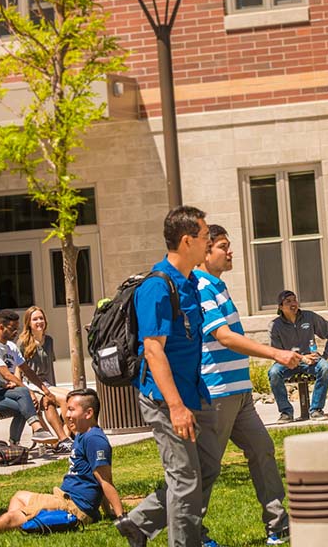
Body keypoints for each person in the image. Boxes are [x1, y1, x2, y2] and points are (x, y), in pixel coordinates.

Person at [193, 224, 300, 545]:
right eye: (223, 246)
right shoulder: (200, 287)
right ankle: (168, 526)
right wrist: (275, 354)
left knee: (262, 449)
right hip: (217, 392)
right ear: (205, 252)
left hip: (238, 392)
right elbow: (223, 337)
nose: (230, 252)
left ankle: (278, 524)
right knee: (206, 468)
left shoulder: (218, 285)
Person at [115, 206, 216, 547]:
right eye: (205, 237)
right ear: (187, 241)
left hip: (192, 392)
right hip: (164, 399)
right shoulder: (157, 287)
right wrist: (175, 406)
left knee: (205, 468)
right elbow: (154, 350)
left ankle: (139, 523)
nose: (210, 243)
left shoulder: (189, 282)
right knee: (186, 481)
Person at [0, 389, 125, 537]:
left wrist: (121, 517)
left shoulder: (94, 439)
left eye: (71, 410)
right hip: (64, 497)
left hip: (73, 506)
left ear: (88, 413)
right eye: (67, 409)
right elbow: (98, 480)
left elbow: (105, 481)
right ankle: (5, 523)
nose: (67, 415)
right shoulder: (82, 435)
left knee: (13, 517)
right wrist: (106, 511)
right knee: (19, 496)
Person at [0, 310, 56, 445]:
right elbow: (6, 374)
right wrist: (30, 392)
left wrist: (46, 391)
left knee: (23, 405)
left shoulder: (11, 346)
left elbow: (27, 370)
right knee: (24, 397)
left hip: (5, 391)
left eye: (17, 328)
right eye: (12, 329)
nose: (16, 332)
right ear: (1, 327)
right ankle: (35, 431)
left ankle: (15, 444)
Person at [267, 290, 328, 423]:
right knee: (274, 372)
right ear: (280, 307)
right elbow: (277, 353)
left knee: (325, 367)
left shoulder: (309, 317)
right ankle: (286, 413)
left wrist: (325, 355)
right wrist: (301, 358)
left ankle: (316, 410)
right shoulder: (274, 326)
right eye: (288, 301)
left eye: (294, 300)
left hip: (311, 361)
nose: (293, 303)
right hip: (288, 363)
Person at [16, 306, 73, 447]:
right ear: (28, 322)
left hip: (46, 384)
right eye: (35, 319)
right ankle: (64, 439)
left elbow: (50, 368)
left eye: (41, 318)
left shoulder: (49, 341)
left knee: (70, 396)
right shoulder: (22, 343)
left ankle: (66, 436)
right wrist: (24, 391)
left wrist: (53, 388)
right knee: (60, 400)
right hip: (31, 384)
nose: (39, 321)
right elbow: (18, 371)